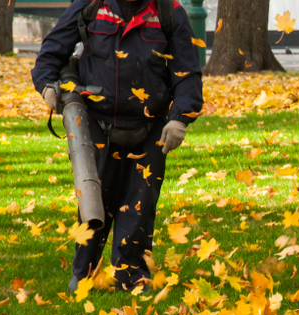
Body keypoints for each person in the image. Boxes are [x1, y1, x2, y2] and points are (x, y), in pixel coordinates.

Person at [31, 0, 203, 292]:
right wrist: (47, 84)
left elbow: (187, 74)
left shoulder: (168, 12)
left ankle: (131, 276)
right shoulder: (90, 6)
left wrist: (179, 119)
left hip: (150, 129)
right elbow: (50, 54)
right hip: (97, 126)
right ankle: (84, 275)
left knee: (140, 206)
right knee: (94, 204)